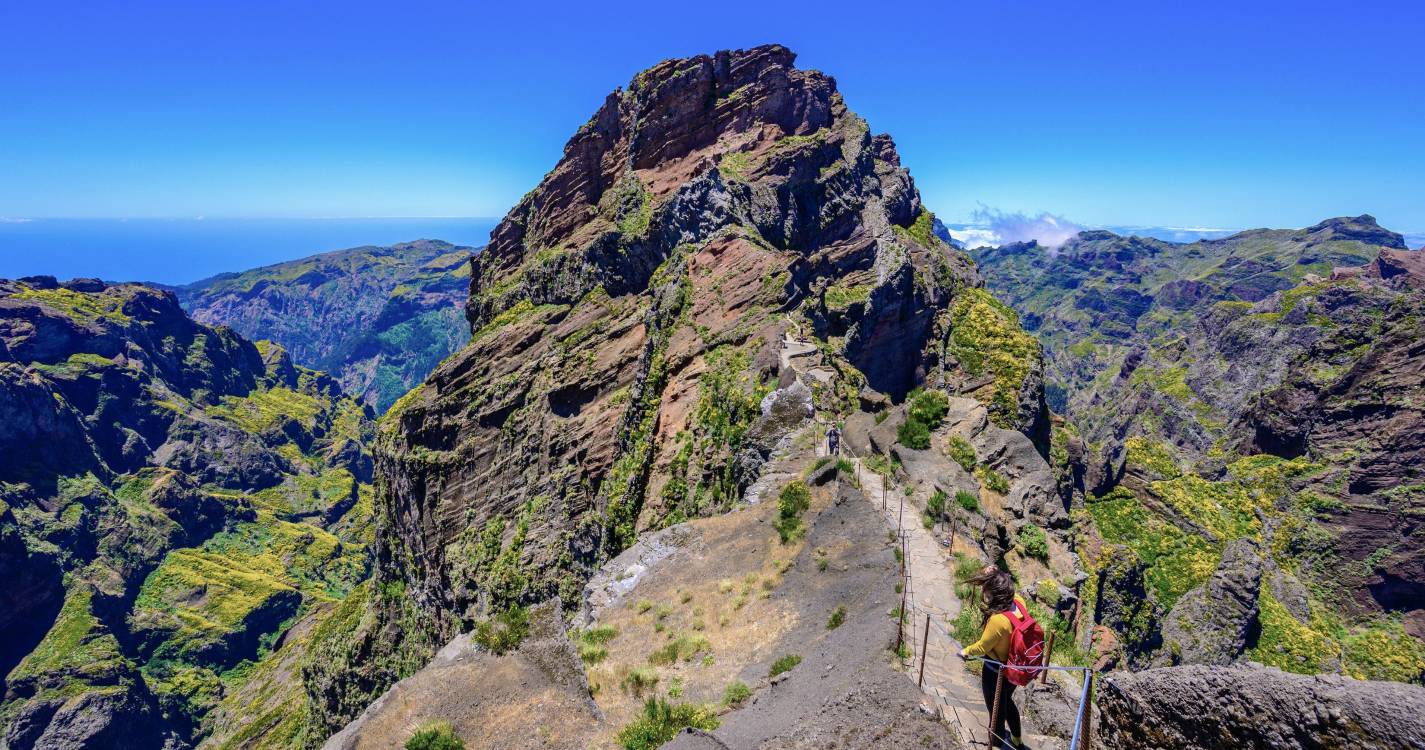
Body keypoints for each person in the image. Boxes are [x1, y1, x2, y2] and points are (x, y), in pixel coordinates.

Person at [958, 566, 1030, 750]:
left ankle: (996, 743)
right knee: (1007, 701)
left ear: (995, 594)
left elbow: (983, 646)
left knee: (996, 708)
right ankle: (1016, 740)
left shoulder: (999, 620)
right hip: (1015, 667)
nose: (986, 595)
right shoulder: (1019, 602)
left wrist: (965, 651)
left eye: (988, 592)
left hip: (995, 672)